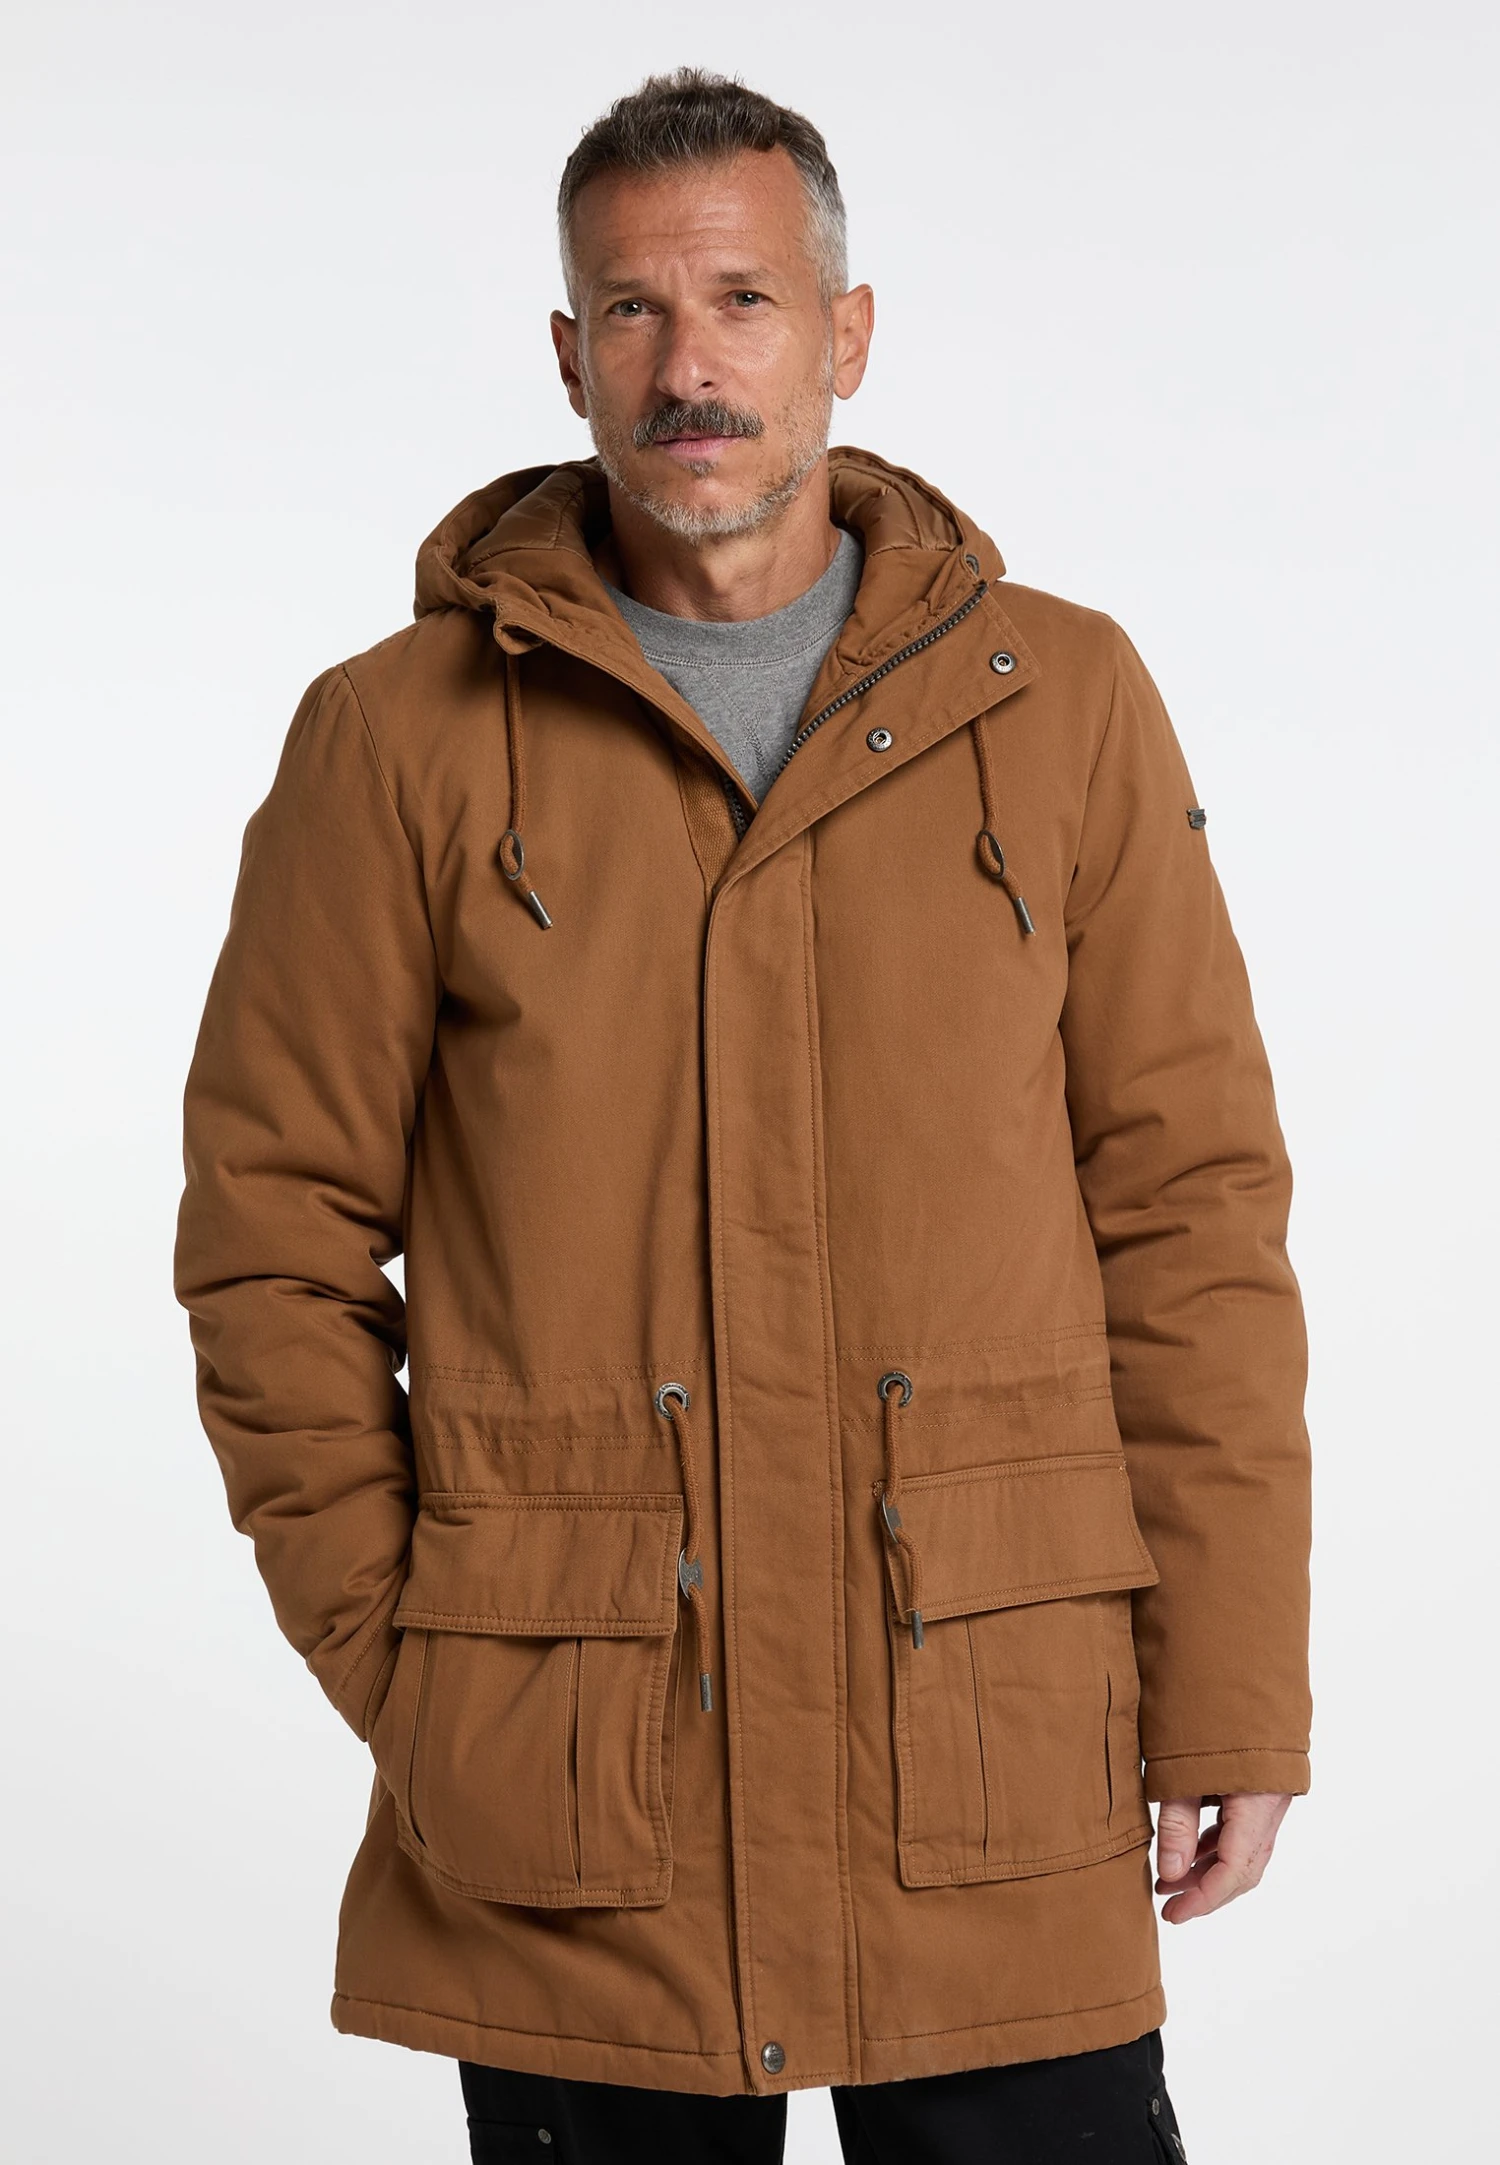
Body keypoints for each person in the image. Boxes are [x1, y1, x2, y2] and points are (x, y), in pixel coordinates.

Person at [174, 66, 1311, 2165]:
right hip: (577, 1791)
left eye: (743, 300)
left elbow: (1193, 1217)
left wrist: (1229, 1677)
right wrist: (417, 1663)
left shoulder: (1062, 705)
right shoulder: (395, 742)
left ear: (846, 334)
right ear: (567, 352)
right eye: (631, 309)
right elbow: (270, 1243)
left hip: (986, 1760)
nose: (687, 366)